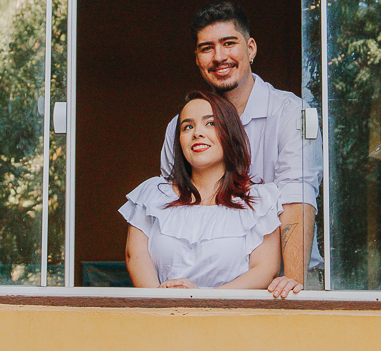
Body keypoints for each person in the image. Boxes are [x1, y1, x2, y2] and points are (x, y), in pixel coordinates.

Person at [160, 2, 323, 297]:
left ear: (250, 48)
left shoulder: (291, 113)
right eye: (207, 48)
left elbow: (297, 197)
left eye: (229, 43)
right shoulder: (180, 127)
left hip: (281, 284)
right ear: (197, 59)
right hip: (197, 287)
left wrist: (292, 285)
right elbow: (173, 205)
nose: (219, 56)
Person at [120, 91, 283, 291]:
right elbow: (135, 256)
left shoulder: (260, 200)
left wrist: (204, 300)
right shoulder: (152, 194)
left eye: (210, 123)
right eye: (187, 127)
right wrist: (161, 301)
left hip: (228, 311)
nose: (197, 133)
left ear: (230, 133)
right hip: (161, 309)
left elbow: (266, 270)